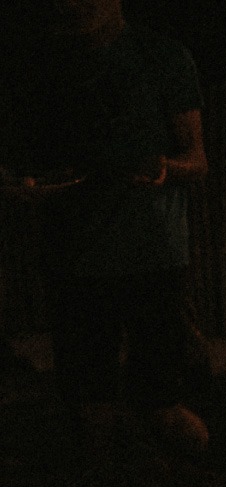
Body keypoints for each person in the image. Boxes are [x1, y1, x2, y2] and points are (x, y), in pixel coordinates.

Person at [0, 0, 210, 459]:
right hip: (75, 257)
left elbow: (197, 160)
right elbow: (24, 159)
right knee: (90, 410)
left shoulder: (161, 57)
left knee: (162, 408)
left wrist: (164, 168)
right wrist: (20, 186)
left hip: (151, 254)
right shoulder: (44, 69)